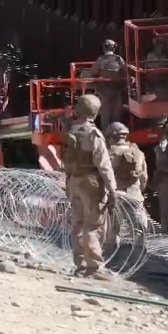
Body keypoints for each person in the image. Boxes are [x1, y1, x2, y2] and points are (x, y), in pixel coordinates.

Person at [62, 95, 117, 278]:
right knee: (92, 226)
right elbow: (104, 165)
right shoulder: (94, 134)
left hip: (74, 181)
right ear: (96, 111)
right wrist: (112, 189)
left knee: (78, 224)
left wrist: (67, 182)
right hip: (90, 183)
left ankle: (81, 265)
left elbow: (67, 160)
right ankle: (95, 267)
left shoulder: (73, 131)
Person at [107, 122, 150, 236]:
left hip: (116, 195)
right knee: (139, 230)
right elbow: (144, 177)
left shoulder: (109, 153)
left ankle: (113, 251)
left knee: (113, 231)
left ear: (111, 137)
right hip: (134, 195)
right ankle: (140, 251)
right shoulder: (137, 152)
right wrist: (139, 190)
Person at [89, 38, 127, 132]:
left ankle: (106, 135)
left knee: (105, 113)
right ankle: (117, 133)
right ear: (114, 48)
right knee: (116, 113)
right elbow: (125, 71)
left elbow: (93, 71)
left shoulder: (101, 59)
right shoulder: (119, 59)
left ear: (104, 48)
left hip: (104, 91)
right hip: (117, 89)